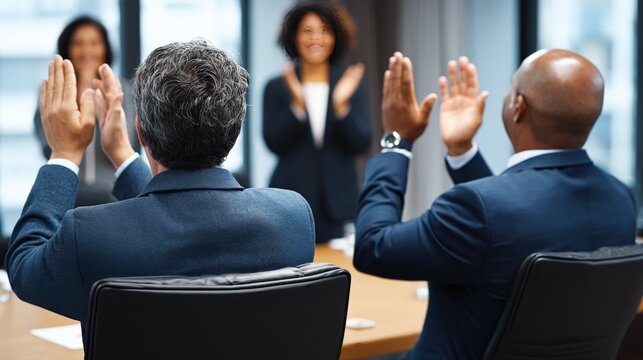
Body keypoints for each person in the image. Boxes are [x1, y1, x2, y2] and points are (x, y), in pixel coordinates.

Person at [7, 40, 315, 342]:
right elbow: (172, 220)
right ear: (234, 133)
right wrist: (122, 155)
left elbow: (24, 267)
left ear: (140, 131)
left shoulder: (88, 237)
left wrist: (64, 153)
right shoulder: (292, 219)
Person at [353, 50, 637, 359]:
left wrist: (396, 140)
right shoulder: (620, 201)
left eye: (511, 88)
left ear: (518, 106)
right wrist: (461, 151)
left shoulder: (481, 210)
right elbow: (510, 222)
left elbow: (373, 247)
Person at [263, 3, 371, 243]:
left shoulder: (351, 83)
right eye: (307, 31)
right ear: (293, 36)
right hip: (290, 200)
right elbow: (273, 142)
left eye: (324, 30)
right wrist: (297, 107)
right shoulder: (277, 86)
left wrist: (341, 105)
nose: (316, 38)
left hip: (339, 204)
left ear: (335, 37)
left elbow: (362, 142)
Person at [34, 16, 139, 206]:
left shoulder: (122, 90)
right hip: (67, 190)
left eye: (94, 43)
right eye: (78, 44)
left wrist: (102, 110)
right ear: (67, 48)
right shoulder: (54, 93)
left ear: (105, 48)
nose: (86, 51)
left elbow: (130, 141)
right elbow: (47, 145)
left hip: (113, 193)